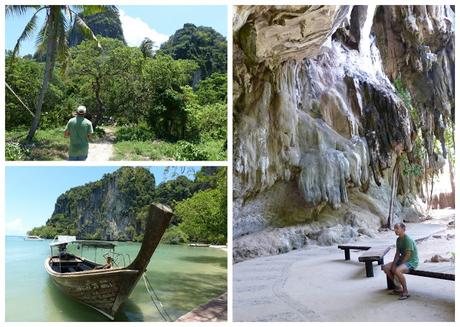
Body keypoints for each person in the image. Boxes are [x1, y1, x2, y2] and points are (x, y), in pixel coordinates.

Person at [382, 222, 419, 300]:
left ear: (403, 229)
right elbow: (397, 254)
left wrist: (398, 266)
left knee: (397, 270)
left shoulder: (407, 240)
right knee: (386, 267)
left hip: (412, 261)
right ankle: (398, 288)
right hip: (403, 260)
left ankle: (405, 291)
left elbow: (408, 255)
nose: (395, 230)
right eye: (394, 228)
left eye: (397, 228)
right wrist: (394, 264)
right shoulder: (398, 240)